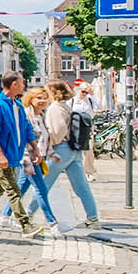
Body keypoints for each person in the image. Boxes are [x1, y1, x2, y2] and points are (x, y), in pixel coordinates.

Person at [0, 72, 42, 236]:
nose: (24, 84)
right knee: (13, 190)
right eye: (22, 82)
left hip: (13, 154)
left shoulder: (17, 105)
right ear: (13, 84)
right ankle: (25, 224)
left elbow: (26, 129)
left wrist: (35, 148)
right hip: (1, 156)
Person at [44, 81, 102, 229]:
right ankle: (93, 218)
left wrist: (48, 146)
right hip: (74, 149)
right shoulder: (66, 106)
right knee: (82, 187)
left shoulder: (55, 108)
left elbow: (57, 131)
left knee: (42, 184)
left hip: (61, 148)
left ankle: (27, 216)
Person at [14, 86, 59, 229]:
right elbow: (26, 138)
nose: (42, 100)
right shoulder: (27, 115)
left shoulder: (41, 115)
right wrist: (32, 156)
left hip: (40, 158)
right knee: (41, 189)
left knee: (20, 189)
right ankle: (52, 222)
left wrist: (51, 154)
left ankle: (4, 216)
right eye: (39, 97)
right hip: (28, 159)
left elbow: (45, 138)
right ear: (31, 99)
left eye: (45, 98)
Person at [73, 80, 99, 176]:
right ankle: (78, 170)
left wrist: (92, 95)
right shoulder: (72, 101)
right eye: (83, 91)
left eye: (86, 92)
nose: (84, 94)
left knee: (88, 150)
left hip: (87, 127)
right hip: (75, 127)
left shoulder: (90, 100)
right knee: (76, 149)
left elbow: (99, 106)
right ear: (78, 90)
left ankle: (88, 172)